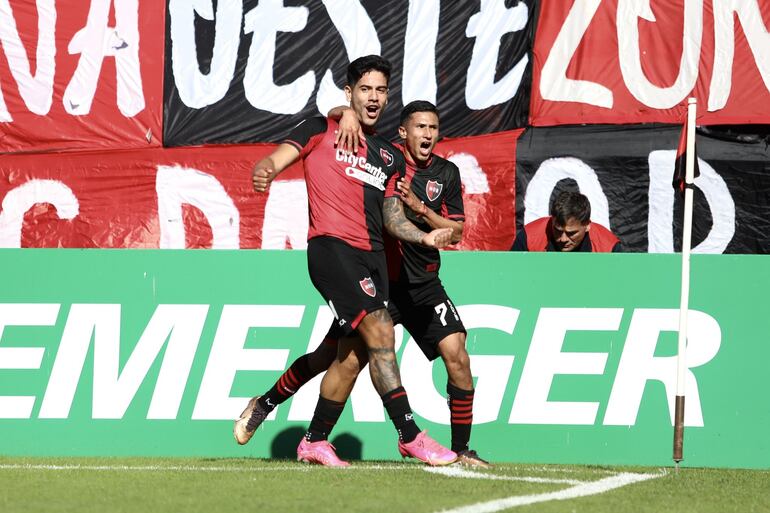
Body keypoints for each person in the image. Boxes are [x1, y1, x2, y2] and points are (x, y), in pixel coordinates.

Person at [234, 101, 491, 468]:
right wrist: (345, 113)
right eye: (420, 127)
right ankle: (271, 407)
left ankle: (462, 448)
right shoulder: (382, 156)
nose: (428, 135)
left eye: (433, 128)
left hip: (423, 284)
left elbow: (457, 230)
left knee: (458, 354)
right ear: (403, 132)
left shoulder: (445, 173)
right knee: (339, 359)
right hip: (379, 283)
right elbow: (339, 115)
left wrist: (422, 212)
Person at [511, 191, 621, 252]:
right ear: (552, 219)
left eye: (571, 233)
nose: (563, 239)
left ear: (587, 225)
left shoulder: (608, 247)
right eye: (557, 230)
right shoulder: (528, 237)